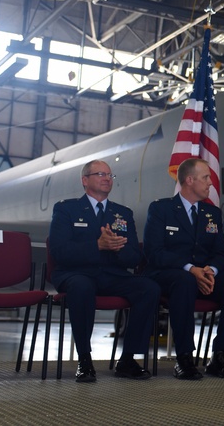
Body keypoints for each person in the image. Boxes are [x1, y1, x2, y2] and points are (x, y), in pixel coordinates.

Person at [48, 160, 160, 382]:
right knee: (82, 286)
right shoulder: (66, 209)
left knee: (149, 288)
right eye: (100, 174)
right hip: (75, 274)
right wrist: (97, 246)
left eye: (110, 175)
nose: (107, 178)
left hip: (111, 275)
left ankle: (127, 358)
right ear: (85, 180)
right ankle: (84, 359)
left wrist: (116, 248)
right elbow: (60, 251)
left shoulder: (123, 214)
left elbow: (134, 257)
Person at [143, 158, 224, 380]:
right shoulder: (161, 209)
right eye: (206, 177)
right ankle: (184, 357)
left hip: (203, 275)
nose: (211, 182)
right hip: (169, 274)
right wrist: (191, 269)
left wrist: (212, 270)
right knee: (185, 281)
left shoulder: (212, 213)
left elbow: (221, 252)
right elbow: (155, 252)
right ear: (189, 180)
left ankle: (220, 355)